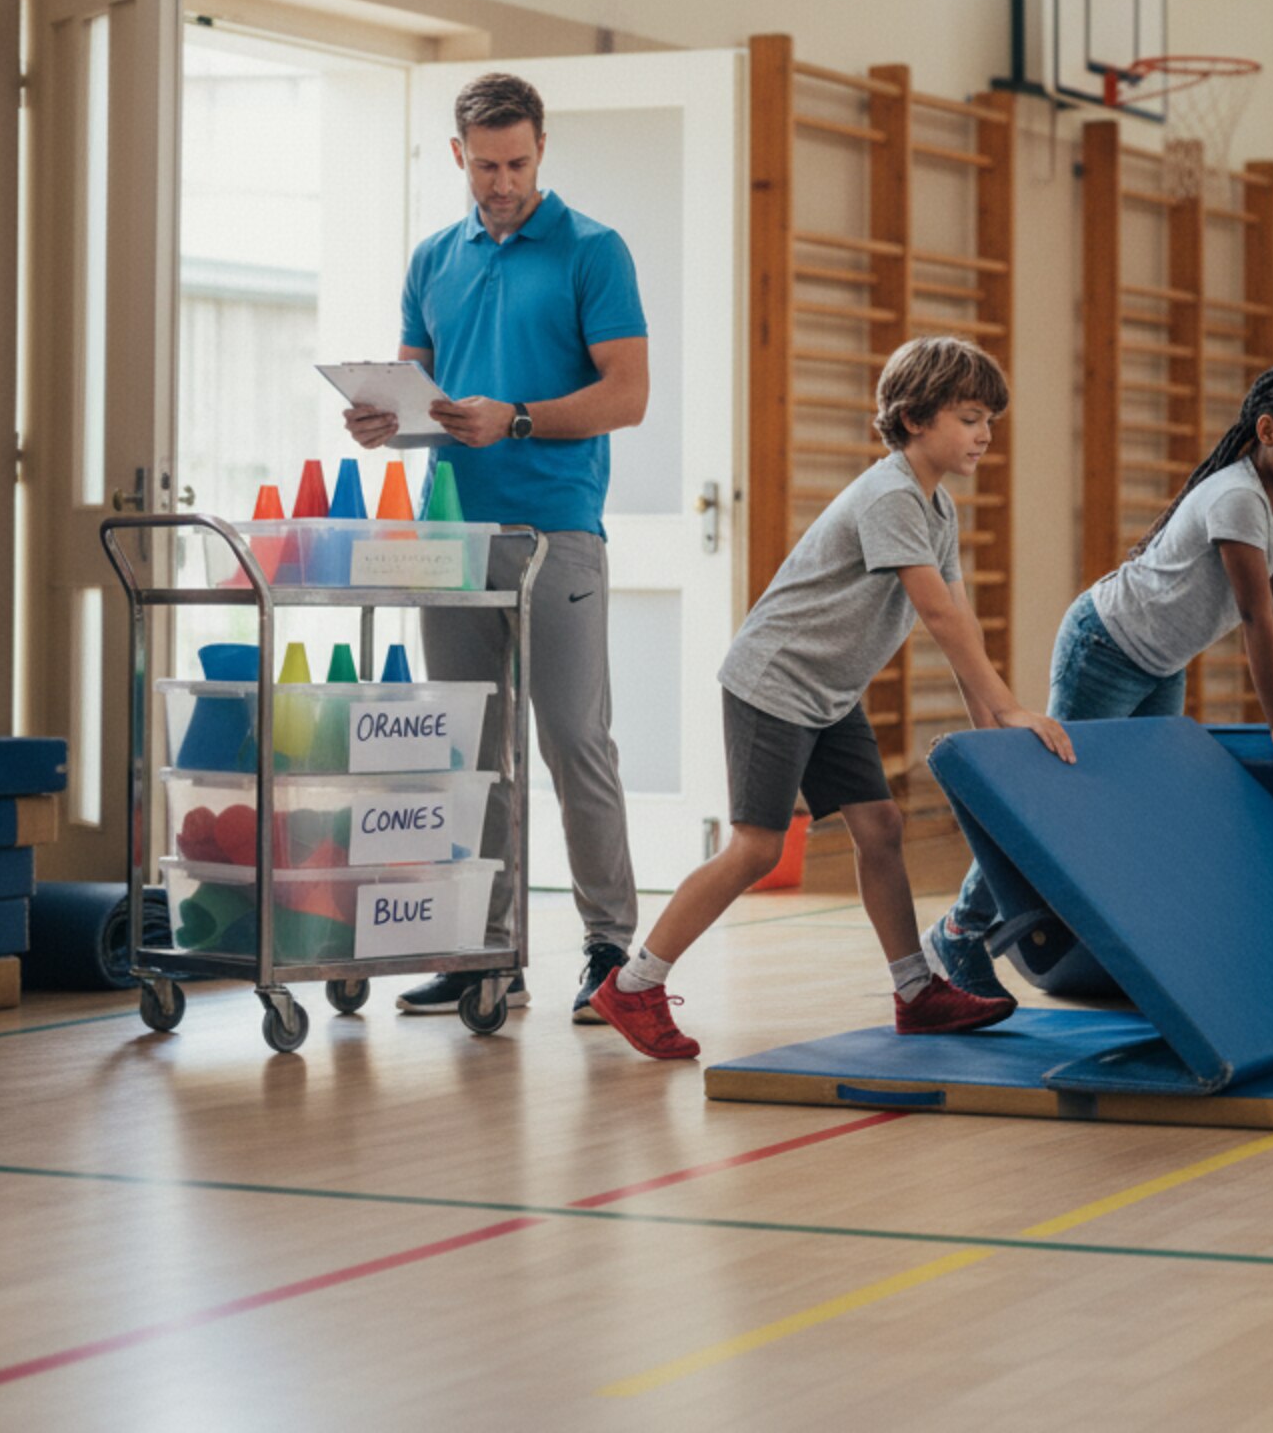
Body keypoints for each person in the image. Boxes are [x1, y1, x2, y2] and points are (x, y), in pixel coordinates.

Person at [588, 336, 1073, 1062]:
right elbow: (937, 616)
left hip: (830, 691)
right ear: (914, 419)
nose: (984, 436)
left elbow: (962, 624)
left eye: (989, 422)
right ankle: (634, 983)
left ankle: (915, 991)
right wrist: (1009, 710)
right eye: (970, 419)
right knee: (757, 847)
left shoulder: (938, 509)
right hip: (776, 681)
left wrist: (992, 739)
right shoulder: (891, 496)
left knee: (880, 827)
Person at [343, 70, 648, 1024]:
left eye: (517, 163)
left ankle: (609, 950)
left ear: (541, 150)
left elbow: (627, 395)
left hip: (556, 533)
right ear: (458, 157)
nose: (503, 182)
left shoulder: (594, 251)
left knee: (573, 742)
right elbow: (419, 388)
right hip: (450, 538)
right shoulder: (433, 259)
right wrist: (384, 419)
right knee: (468, 750)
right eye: (485, 166)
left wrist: (514, 418)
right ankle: (485, 949)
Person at [922, 358, 1273, 1002]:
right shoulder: (1238, 497)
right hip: (1104, 646)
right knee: (1050, 799)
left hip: (1158, 662)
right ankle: (960, 930)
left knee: (1143, 801)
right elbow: (1257, 617)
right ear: (1267, 430)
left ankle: (1115, 931)